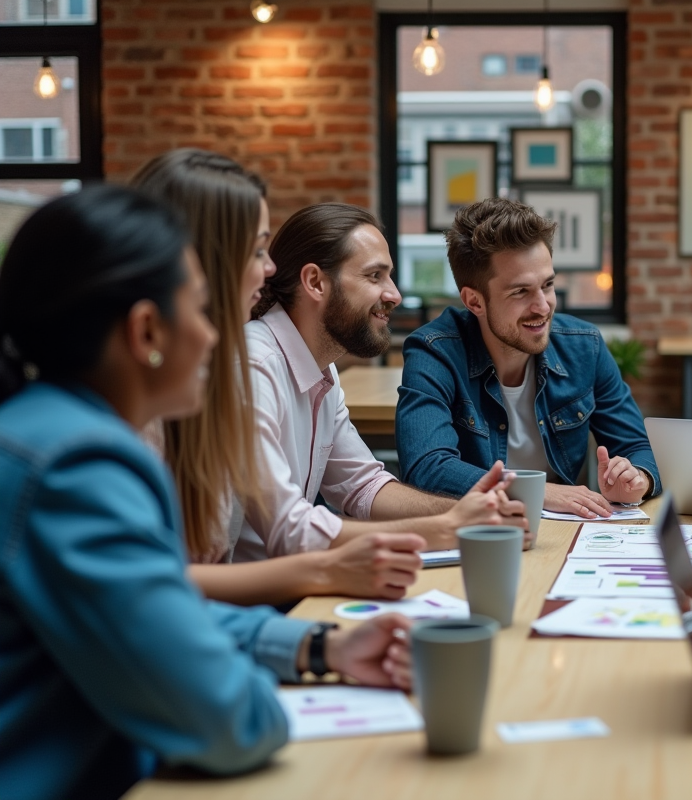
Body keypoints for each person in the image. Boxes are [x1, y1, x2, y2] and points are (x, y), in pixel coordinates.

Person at [0, 186, 414, 800]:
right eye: (200, 309)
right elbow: (229, 720)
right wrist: (271, 686)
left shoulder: (53, 432)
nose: (219, 337)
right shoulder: (78, 466)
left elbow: (157, 603)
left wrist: (319, 645)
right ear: (147, 332)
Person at [132, 149, 424, 605]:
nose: (269, 269)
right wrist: (447, 529)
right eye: (256, 250)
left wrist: (458, 519)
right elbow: (160, 591)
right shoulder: (244, 366)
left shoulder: (311, 368)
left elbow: (361, 485)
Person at [237, 202, 526, 563]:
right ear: (315, 282)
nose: (394, 295)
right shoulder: (254, 367)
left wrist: (470, 514)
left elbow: (363, 487)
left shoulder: (323, 372)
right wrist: (446, 528)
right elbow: (289, 530)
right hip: (247, 593)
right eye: (375, 276)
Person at [395, 197, 661, 519]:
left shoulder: (584, 347)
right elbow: (426, 466)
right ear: (475, 302)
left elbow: (638, 447)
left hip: (560, 531)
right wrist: (536, 490)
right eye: (520, 292)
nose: (543, 306)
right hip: (480, 532)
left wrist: (637, 479)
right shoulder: (434, 351)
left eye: (547, 285)